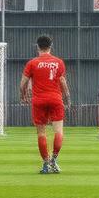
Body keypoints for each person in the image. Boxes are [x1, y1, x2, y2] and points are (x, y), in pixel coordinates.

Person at [19, 35, 70, 174]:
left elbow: (22, 84)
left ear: (37, 47)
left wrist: (22, 96)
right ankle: (54, 159)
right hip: (55, 99)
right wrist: (67, 97)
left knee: (41, 133)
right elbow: (63, 82)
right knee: (58, 131)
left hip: (39, 100)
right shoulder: (59, 62)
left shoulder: (32, 63)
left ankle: (46, 163)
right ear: (50, 46)